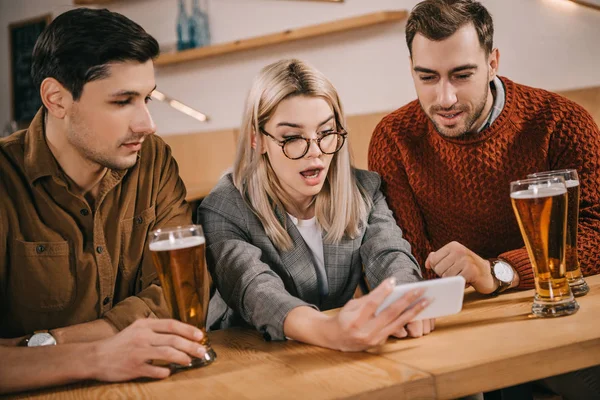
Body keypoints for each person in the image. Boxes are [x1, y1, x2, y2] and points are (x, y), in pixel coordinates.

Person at [368, 0, 600, 397]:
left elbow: (596, 230)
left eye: (461, 75)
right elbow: (404, 256)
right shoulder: (394, 139)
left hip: (560, 320)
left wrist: (497, 272)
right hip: (463, 330)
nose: (444, 98)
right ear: (411, 68)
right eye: (427, 77)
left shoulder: (562, 123)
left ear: (493, 62)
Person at [0, 8, 205, 394]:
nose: (147, 123)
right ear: (56, 99)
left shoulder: (154, 160)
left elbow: (180, 300)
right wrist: (99, 355)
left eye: (147, 98)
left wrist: (43, 344)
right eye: (122, 101)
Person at [198, 59, 434, 351]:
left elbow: (389, 255)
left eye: (325, 133)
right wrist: (327, 329)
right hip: (250, 352)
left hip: (329, 349)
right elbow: (255, 289)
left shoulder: (364, 189)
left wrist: (405, 298)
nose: (315, 153)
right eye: (293, 138)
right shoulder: (224, 206)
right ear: (257, 140)